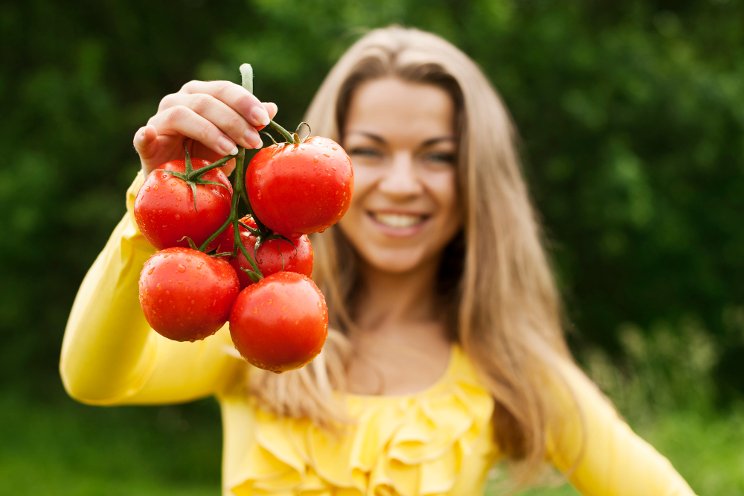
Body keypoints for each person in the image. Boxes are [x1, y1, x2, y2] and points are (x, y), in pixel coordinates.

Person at [60, 25, 696, 495]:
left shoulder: (508, 367)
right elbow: (93, 379)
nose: (398, 183)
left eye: (437, 155)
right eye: (368, 150)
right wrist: (156, 205)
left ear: (479, 178)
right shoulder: (253, 324)